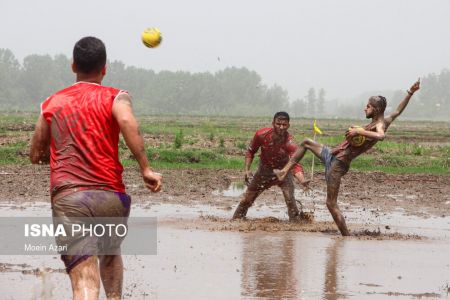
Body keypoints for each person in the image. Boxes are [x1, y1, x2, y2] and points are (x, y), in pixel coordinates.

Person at [30, 36, 162, 300]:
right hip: (111, 198)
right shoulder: (116, 97)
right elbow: (126, 120)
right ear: (104, 68)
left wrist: (53, 153)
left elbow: (36, 154)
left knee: (84, 281)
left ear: (73, 66)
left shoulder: (52, 103)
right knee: (111, 256)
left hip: (71, 200)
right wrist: (145, 168)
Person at [275, 80, 421, 236]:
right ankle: (284, 172)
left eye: (368, 106)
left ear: (376, 109)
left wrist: (359, 131)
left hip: (338, 165)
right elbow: (397, 111)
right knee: (306, 142)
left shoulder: (380, 125)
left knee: (331, 204)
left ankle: (346, 236)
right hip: (332, 154)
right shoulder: (381, 120)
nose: (365, 108)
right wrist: (410, 92)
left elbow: (381, 136)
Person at [232, 112, 309, 221]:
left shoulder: (290, 142)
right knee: (246, 200)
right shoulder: (261, 135)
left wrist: (302, 180)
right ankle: (236, 221)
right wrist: (247, 170)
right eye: (278, 124)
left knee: (290, 200)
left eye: (284, 125)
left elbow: (294, 162)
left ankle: (295, 226)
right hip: (264, 172)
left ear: (288, 126)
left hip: (283, 173)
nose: (281, 127)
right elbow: (250, 152)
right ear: (273, 123)